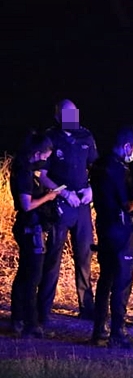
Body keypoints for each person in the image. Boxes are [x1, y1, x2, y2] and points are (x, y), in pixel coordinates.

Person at [40, 99, 98, 322]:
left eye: (74, 113)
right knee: (53, 257)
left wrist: (91, 189)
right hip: (60, 205)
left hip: (82, 205)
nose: (72, 118)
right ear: (57, 117)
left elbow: (96, 167)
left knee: (84, 256)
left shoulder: (86, 136)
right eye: (66, 114)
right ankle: (43, 309)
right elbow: (43, 176)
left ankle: (87, 308)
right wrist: (64, 193)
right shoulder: (50, 138)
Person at [89, 126, 133, 348]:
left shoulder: (99, 165)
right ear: (127, 146)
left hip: (103, 226)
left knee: (105, 279)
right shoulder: (118, 169)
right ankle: (118, 333)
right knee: (122, 282)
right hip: (120, 230)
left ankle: (99, 330)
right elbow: (127, 204)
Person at [9, 132, 64, 339]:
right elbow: (26, 205)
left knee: (25, 274)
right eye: (45, 155)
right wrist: (49, 196)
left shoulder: (27, 170)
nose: (46, 160)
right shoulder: (23, 173)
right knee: (32, 276)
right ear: (37, 153)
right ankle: (30, 324)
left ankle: (18, 319)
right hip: (31, 228)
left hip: (31, 227)